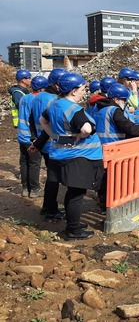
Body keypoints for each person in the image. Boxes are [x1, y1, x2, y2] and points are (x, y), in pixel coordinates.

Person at [41, 72, 104, 240]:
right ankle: (73, 229)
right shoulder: (73, 109)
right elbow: (86, 129)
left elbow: (43, 121)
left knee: (72, 192)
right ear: (74, 90)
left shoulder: (55, 104)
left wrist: (55, 136)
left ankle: (73, 222)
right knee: (76, 194)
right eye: (83, 89)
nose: (84, 92)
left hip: (60, 154)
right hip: (79, 156)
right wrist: (79, 136)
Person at [94, 83, 139, 206]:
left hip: (99, 148)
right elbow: (129, 128)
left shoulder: (99, 108)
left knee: (105, 178)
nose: (124, 103)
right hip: (113, 147)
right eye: (123, 100)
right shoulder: (114, 110)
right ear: (116, 99)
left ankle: (103, 202)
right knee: (116, 179)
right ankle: (113, 204)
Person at [29, 68, 68, 220]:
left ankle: (48, 207)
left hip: (42, 141)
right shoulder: (55, 101)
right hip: (51, 142)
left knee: (53, 176)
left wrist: (36, 140)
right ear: (58, 84)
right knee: (54, 178)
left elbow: (32, 120)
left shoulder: (38, 97)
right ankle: (50, 209)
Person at [17, 75, 48, 198]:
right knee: (34, 163)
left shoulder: (25, 98)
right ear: (42, 88)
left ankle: (25, 188)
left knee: (24, 162)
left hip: (21, 134)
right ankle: (34, 189)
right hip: (31, 136)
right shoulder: (38, 100)